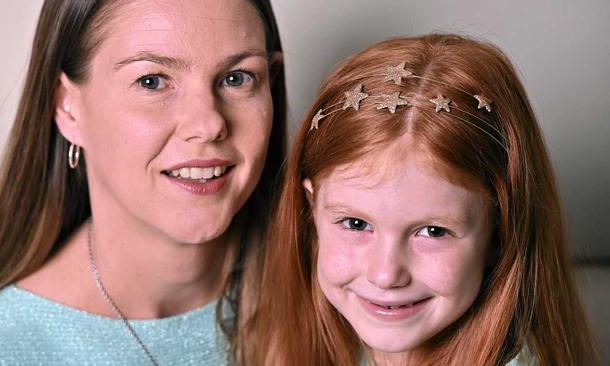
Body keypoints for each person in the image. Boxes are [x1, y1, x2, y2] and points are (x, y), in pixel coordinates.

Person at [0, 0, 286, 364]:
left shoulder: (342, 298)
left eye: (236, 77)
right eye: (152, 81)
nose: (208, 124)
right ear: (68, 106)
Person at [242, 34, 600, 365]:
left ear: (498, 231)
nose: (385, 274)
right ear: (311, 212)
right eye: (355, 223)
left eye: (432, 231)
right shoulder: (306, 340)